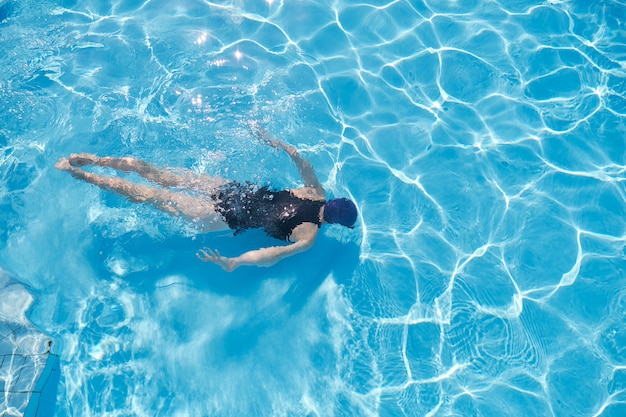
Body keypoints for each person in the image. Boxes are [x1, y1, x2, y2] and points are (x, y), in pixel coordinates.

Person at [55, 129, 357, 272]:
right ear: (337, 223)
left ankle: (94, 160)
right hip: (223, 218)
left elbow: (300, 160)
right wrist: (235, 261)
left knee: (159, 175)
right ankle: (76, 174)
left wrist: (275, 142)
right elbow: (270, 254)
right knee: (148, 196)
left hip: (234, 190)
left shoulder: (315, 191)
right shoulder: (309, 235)